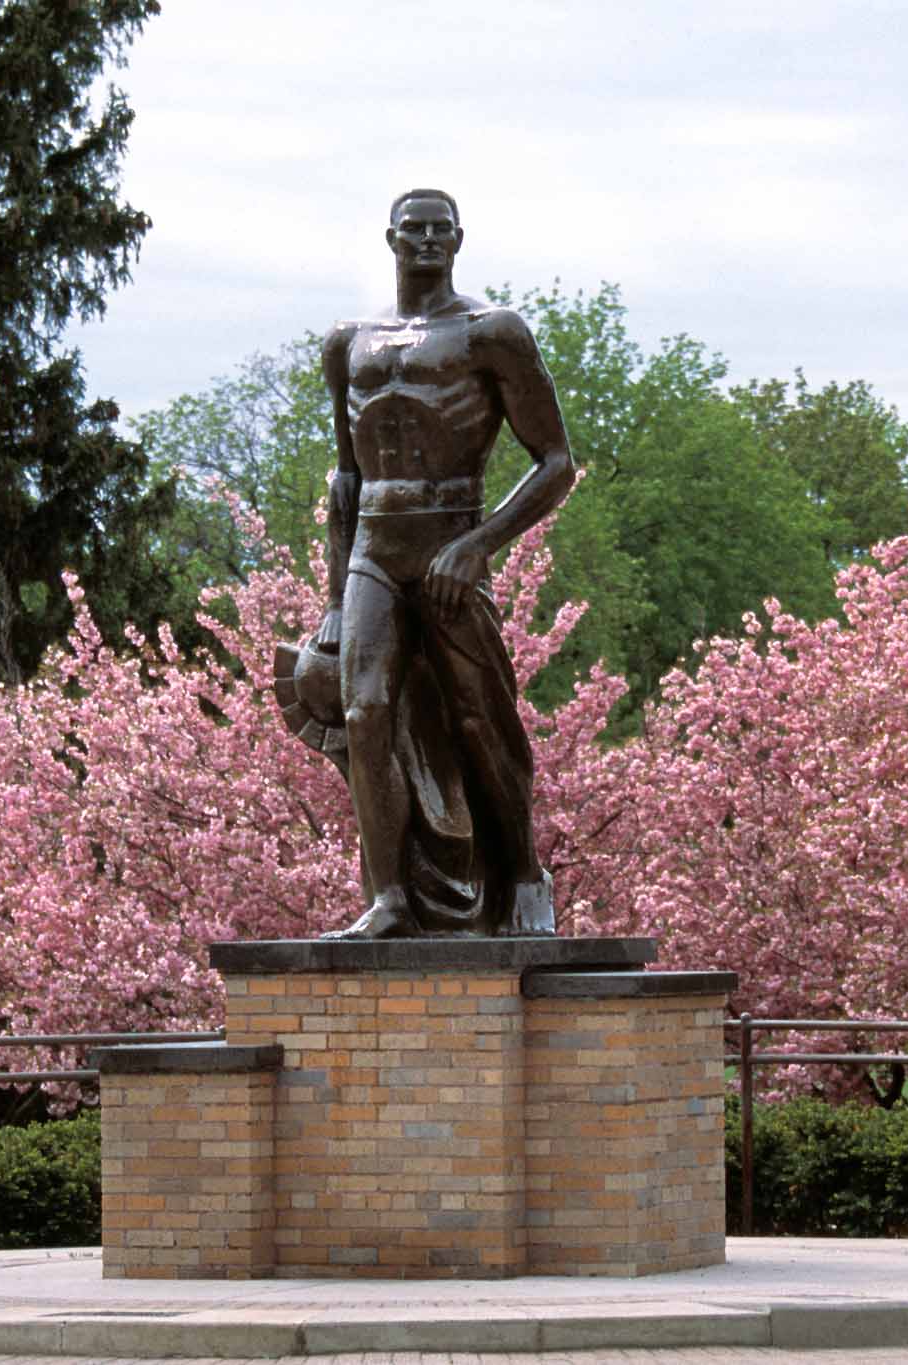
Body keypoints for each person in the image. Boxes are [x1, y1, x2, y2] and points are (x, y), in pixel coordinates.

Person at [310, 188, 575, 939]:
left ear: (458, 239)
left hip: (451, 545)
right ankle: (389, 897)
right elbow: (346, 480)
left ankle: (523, 875)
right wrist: (335, 599)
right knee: (365, 714)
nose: (426, 241)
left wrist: (478, 543)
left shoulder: (491, 334)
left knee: (480, 718)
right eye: (413, 230)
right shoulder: (349, 343)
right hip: (374, 551)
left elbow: (557, 462)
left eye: (439, 231)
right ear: (391, 239)